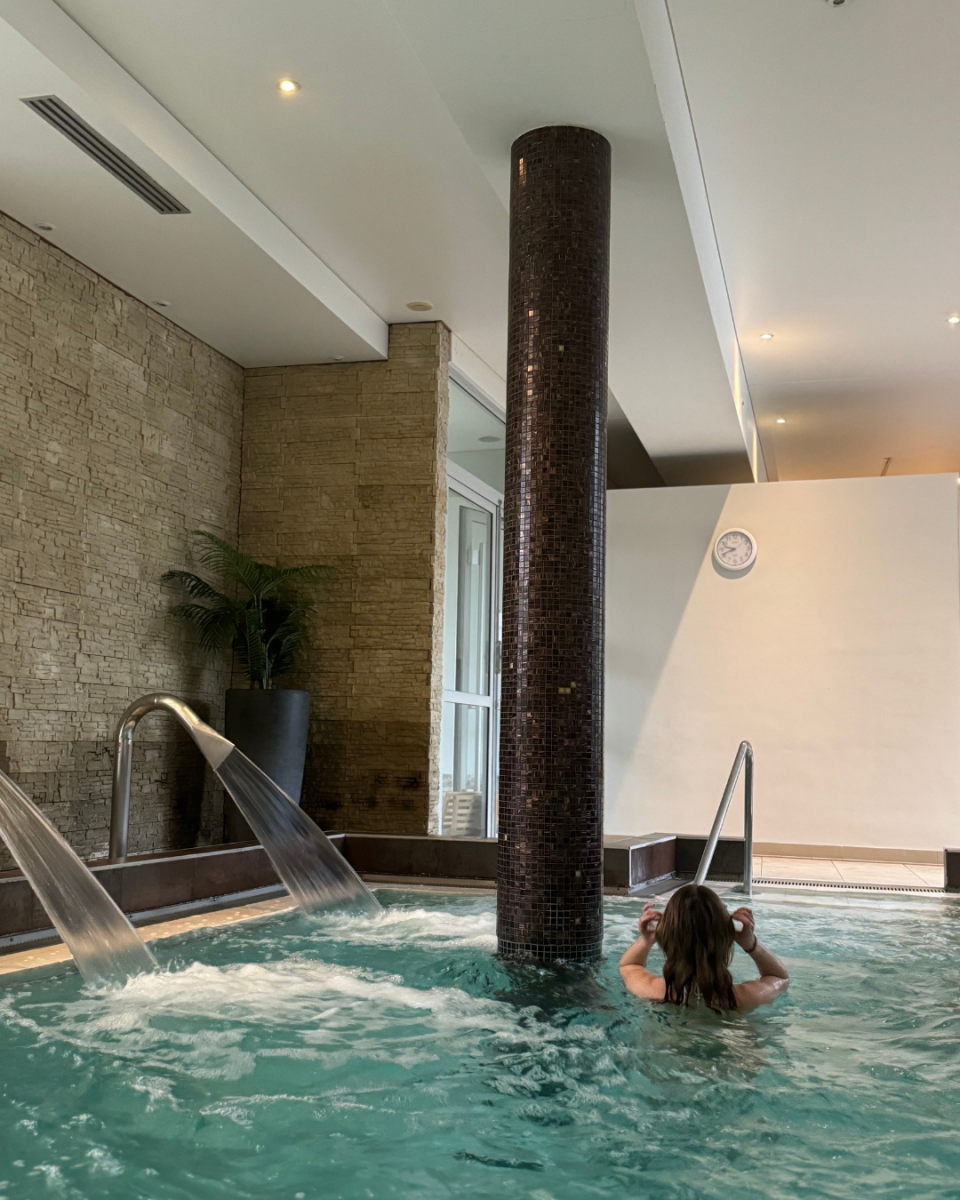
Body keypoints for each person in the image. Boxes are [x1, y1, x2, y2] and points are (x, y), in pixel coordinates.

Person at [619, 884, 789, 1012]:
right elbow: (779, 977)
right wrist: (750, 943)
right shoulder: (744, 998)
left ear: (666, 937)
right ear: (725, 938)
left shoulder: (651, 990)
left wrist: (647, 939)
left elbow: (629, 965)